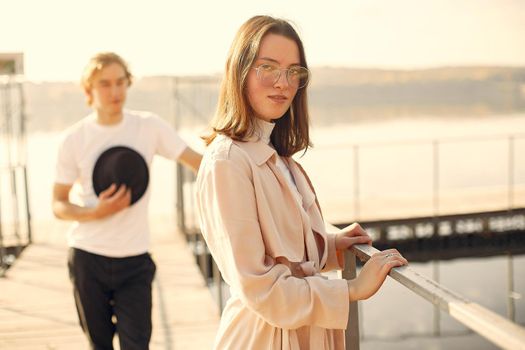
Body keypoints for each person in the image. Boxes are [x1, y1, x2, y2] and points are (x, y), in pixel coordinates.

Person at [196, 16, 408, 350]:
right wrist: (352, 289)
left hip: (304, 332)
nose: (283, 82)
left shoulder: (278, 157)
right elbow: (260, 288)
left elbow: (282, 252)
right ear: (240, 71)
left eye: (294, 71)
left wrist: (330, 246)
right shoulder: (227, 162)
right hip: (264, 338)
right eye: (268, 67)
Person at [52, 52, 201, 350]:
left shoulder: (148, 126)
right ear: (88, 90)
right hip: (87, 258)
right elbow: (58, 204)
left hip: (135, 260)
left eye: (121, 82)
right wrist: (97, 212)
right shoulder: (74, 139)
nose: (115, 91)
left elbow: (201, 163)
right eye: (105, 84)